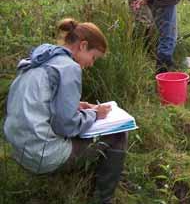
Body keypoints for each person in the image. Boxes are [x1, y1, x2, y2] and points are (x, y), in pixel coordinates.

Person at [3, 19, 128, 204]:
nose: (91, 64)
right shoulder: (70, 68)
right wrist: (95, 114)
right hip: (41, 155)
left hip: (19, 149)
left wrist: (76, 106)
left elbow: (42, 102)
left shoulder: (44, 59)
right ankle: (104, 199)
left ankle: (80, 180)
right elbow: (66, 126)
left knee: (84, 132)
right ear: (83, 46)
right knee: (118, 135)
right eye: (93, 57)